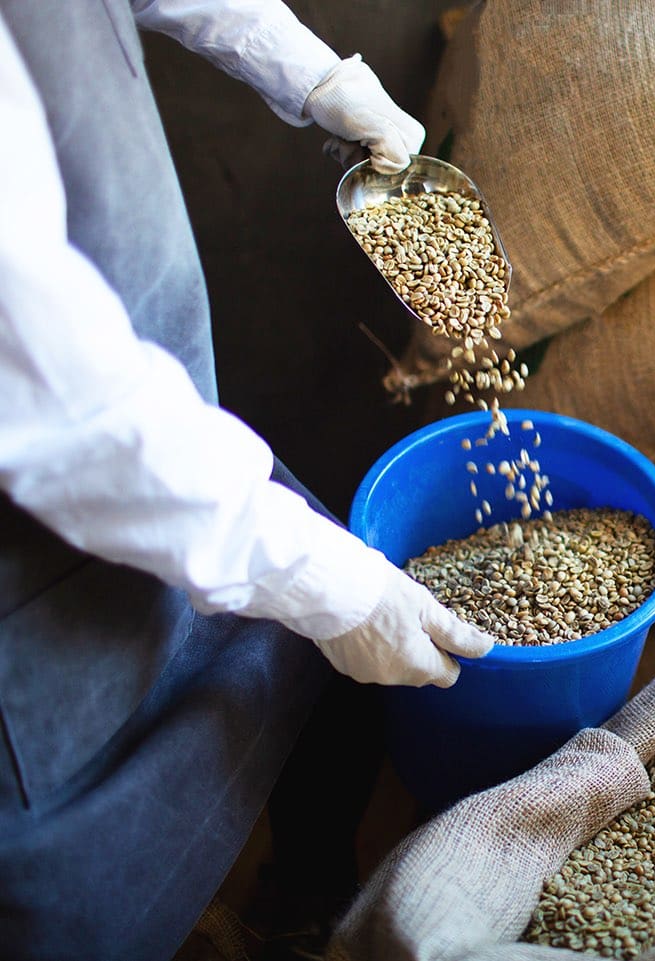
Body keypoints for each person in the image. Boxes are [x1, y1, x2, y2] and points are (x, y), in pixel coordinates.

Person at [0, 2, 495, 958]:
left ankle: (297, 901)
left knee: (288, 675)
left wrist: (312, 75)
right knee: (72, 870)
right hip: (40, 515)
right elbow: (59, 405)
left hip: (166, 444)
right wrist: (323, 581)